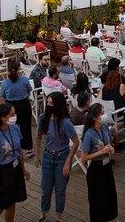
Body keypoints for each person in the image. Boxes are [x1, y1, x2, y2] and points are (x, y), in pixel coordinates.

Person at [34, 92, 80, 222]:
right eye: (47, 103)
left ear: (58, 105)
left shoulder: (65, 123)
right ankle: (43, 212)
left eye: (51, 103)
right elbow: (37, 137)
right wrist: (37, 156)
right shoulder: (44, 118)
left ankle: (58, 216)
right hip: (48, 156)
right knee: (45, 189)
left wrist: (68, 162)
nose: (48, 106)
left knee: (60, 191)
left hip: (62, 157)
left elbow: (76, 142)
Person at [0, 103, 30, 222]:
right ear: (3, 118)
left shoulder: (15, 128)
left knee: (12, 203)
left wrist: (23, 169)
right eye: (12, 114)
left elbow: (18, 151)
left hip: (15, 169)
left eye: (14, 113)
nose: (14, 116)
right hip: (3, 173)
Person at [81, 103, 118, 222]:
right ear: (94, 118)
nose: (105, 115)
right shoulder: (89, 134)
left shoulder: (104, 127)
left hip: (106, 165)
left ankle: (110, 217)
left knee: (110, 194)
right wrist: (102, 151)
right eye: (102, 114)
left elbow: (108, 143)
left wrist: (110, 148)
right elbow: (83, 157)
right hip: (96, 169)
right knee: (98, 198)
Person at [0, 59, 34, 158]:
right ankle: (28, 149)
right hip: (24, 105)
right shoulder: (24, 80)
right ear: (18, 69)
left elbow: (3, 95)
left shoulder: (5, 83)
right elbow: (29, 91)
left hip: (11, 107)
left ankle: (13, 147)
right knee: (26, 127)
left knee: (11, 128)